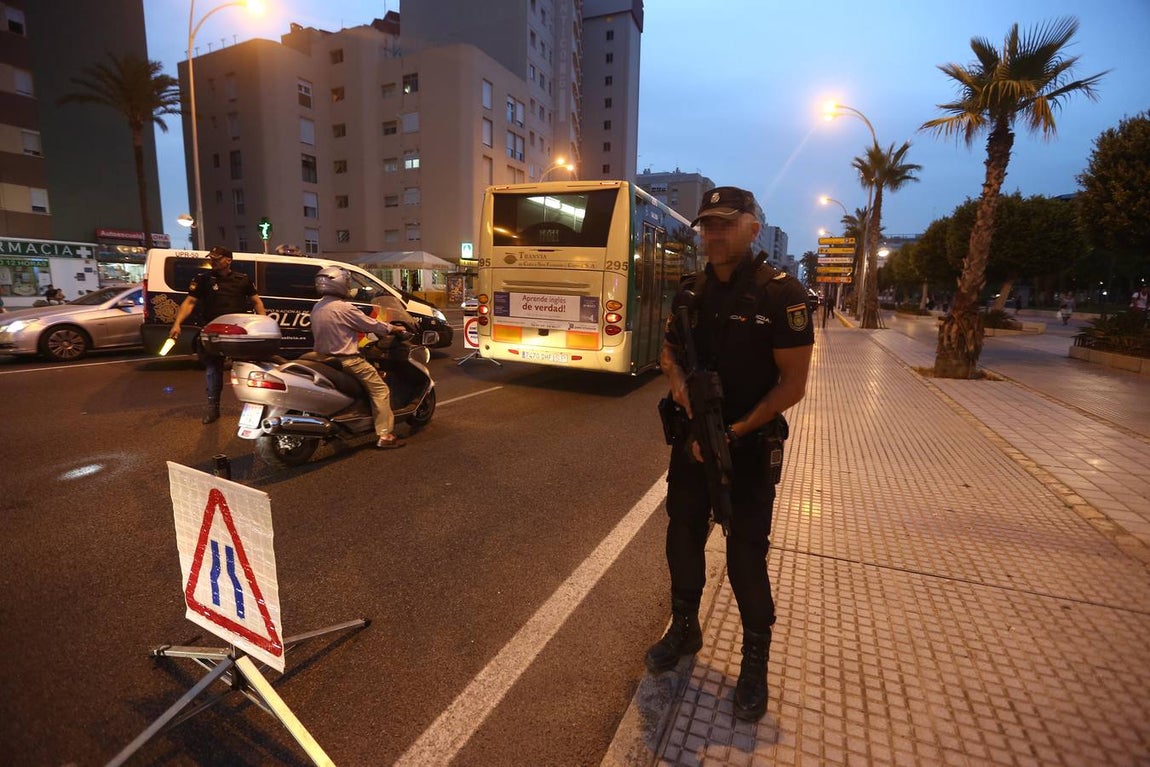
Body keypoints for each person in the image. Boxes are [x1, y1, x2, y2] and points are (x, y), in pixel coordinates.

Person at [649, 186, 814, 722]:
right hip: (691, 444)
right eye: (707, 225)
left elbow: (793, 385)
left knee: (745, 557)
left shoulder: (782, 294)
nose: (714, 233)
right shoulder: (691, 291)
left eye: (725, 223)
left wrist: (738, 430)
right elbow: (669, 352)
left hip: (746, 448)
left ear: (752, 227)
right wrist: (678, 387)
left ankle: (754, 661)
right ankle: (685, 628)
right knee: (682, 537)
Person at [310, 266, 405, 449]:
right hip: (348, 361)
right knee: (380, 390)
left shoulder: (318, 306)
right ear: (339, 284)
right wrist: (393, 329)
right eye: (346, 282)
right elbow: (371, 324)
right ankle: (385, 435)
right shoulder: (344, 308)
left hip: (322, 359)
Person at [169, 245, 266, 424]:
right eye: (211, 258)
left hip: (238, 331)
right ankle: (213, 409)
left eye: (217, 258)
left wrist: (264, 323)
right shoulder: (203, 279)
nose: (212, 261)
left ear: (228, 260)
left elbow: (256, 302)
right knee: (213, 370)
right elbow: (189, 302)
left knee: (248, 369)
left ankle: (256, 407)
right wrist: (177, 324)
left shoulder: (242, 279)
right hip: (213, 331)